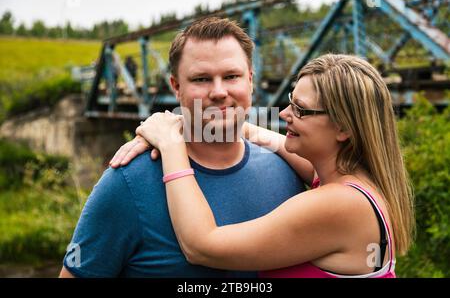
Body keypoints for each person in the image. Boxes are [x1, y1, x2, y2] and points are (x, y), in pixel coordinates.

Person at [114, 54, 415, 278]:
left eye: (300, 109)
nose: (284, 113)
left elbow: (201, 246)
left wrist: (170, 146)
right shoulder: (347, 179)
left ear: (343, 128)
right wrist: (190, 124)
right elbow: (261, 135)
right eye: (289, 101)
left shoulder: (338, 204)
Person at [59, 17, 304, 278]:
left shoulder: (286, 170)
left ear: (251, 80)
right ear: (176, 87)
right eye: (201, 79)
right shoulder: (127, 182)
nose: (219, 91)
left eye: (231, 76)